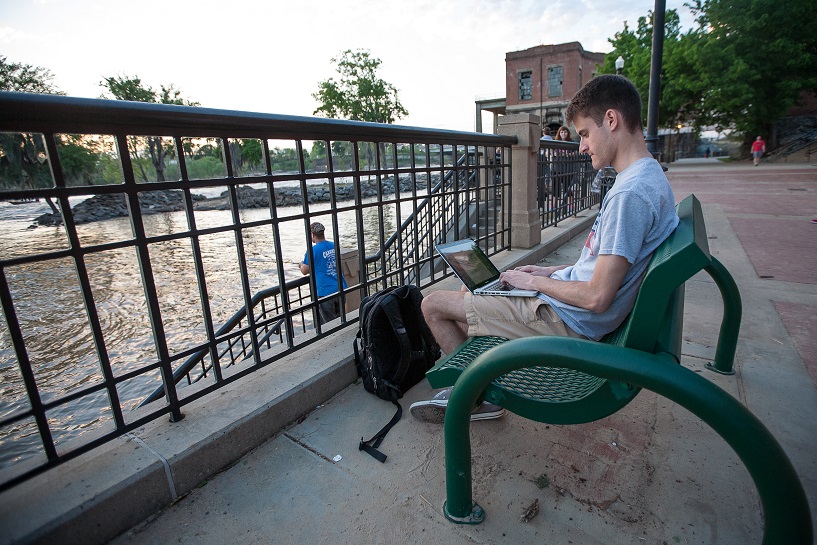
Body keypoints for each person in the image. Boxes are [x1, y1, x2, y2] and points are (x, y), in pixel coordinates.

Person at [410, 75, 679, 423]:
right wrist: (545, 272)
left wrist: (533, 284)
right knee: (472, 287)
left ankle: (475, 395)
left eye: (583, 133)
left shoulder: (631, 195)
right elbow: (598, 270)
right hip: (570, 311)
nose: (581, 147)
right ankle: (478, 379)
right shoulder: (646, 177)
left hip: (568, 321)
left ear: (611, 121)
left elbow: (597, 297)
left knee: (432, 305)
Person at [299, 222, 346, 325]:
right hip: (340, 287)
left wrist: (301, 264)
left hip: (325, 292)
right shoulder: (334, 245)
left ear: (312, 235)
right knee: (340, 320)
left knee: (328, 325)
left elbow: (304, 271)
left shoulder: (313, 250)